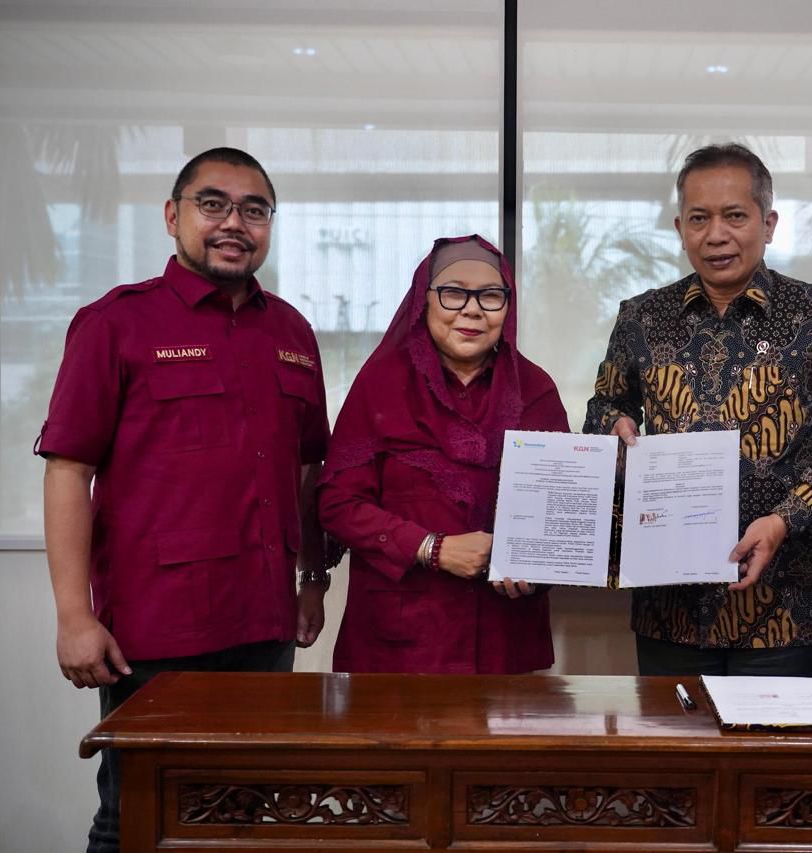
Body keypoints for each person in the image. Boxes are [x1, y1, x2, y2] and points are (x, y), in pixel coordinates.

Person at [37, 147, 330, 853]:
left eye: (254, 210)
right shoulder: (116, 324)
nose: (235, 223)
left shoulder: (292, 332)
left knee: (249, 817)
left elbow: (310, 468)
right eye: (214, 204)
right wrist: (75, 616)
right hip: (156, 633)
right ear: (173, 217)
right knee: (138, 818)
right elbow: (68, 470)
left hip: (264, 625)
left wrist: (314, 579)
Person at [584, 143, 812, 677]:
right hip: (668, 607)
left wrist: (785, 520)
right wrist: (614, 427)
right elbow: (605, 406)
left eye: (735, 216)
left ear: (768, 223)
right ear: (680, 228)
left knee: (774, 762)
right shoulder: (641, 318)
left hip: (787, 607)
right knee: (676, 761)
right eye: (699, 218)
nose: (715, 234)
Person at [318, 235, 569, 673]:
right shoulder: (380, 384)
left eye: (491, 296)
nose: (471, 309)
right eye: (453, 293)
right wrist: (432, 548)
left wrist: (537, 568)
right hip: (401, 644)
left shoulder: (535, 389)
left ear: (507, 308)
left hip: (503, 639)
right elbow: (338, 504)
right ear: (424, 300)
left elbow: (564, 513)